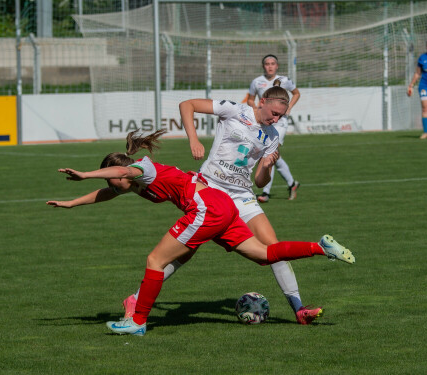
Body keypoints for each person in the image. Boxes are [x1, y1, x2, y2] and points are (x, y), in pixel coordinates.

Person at [47, 129, 355, 336]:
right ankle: (319, 247)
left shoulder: (143, 168)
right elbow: (109, 192)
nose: (114, 187)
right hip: (222, 206)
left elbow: (123, 173)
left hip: (207, 208)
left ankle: (138, 322)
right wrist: (72, 203)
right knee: (263, 255)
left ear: (122, 173)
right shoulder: (131, 183)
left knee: (155, 260)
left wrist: (85, 173)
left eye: (114, 181)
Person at [121, 83, 325, 326]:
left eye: (281, 116)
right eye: (274, 113)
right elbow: (187, 105)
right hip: (210, 190)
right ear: (262, 102)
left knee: (273, 248)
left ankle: (299, 309)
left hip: (242, 195)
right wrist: (194, 140)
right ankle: (135, 299)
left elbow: (260, 181)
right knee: (184, 253)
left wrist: (268, 166)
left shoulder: (272, 136)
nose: (277, 119)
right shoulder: (235, 110)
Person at [247, 54, 301, 202]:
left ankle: (265, 192)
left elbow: (296, 93)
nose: (270, 66)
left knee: (269, 152)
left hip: (281, 122)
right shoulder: (256, 82)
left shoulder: (284, 80)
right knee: (274, 156)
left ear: (277, 66)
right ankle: (292, 184)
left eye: (272, 63)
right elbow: (250, 99)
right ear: (263, 66)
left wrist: (288, 108)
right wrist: (256, 107)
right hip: (266, 120)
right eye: (267, 64)